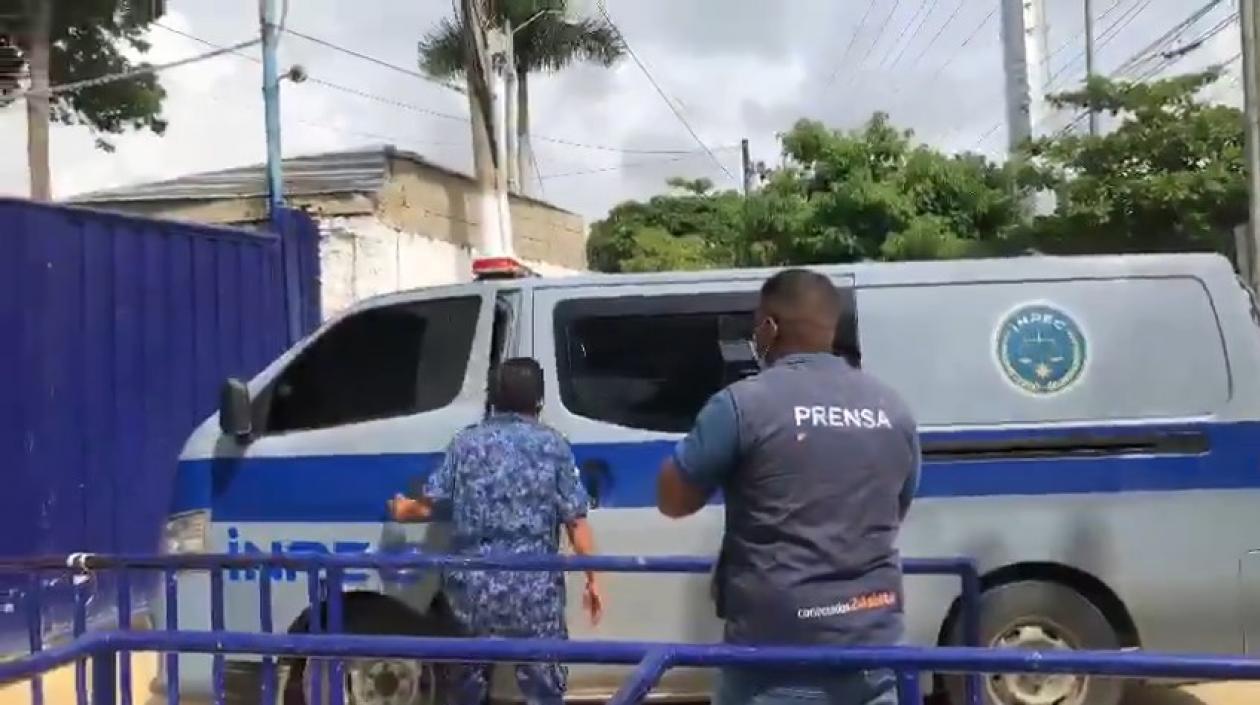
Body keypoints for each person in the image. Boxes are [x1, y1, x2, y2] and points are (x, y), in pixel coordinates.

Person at [656, 269, 921, 705]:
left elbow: (674, 500)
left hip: (775, 658)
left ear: (769, 327)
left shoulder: (743, 404)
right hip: (875, 645)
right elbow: (896, 508)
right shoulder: (892, 408)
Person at [388, 357, 604, 705]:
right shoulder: (554, 446)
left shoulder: (465, 443)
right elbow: (576, 521)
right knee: (545, 691)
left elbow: (428, 506)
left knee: (467, 689)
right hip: (535, 594)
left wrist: (401, 510)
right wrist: (594, 579)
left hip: (472, 594)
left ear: (493, 398)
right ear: (539, 400)